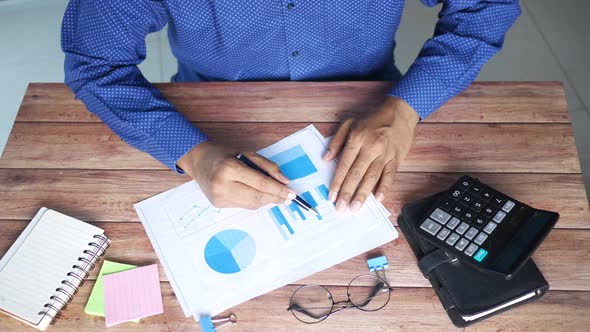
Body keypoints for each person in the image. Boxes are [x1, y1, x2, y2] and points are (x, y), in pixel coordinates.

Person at [61, 0, 520, 213]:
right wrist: (190, 153)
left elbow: (488, 5)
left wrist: (408, 107)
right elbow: (94, 62)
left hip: (376, 107)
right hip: (208, 116)